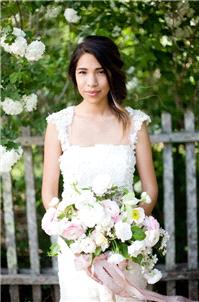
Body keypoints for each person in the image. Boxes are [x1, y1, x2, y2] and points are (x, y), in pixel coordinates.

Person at [42, 35, 158, 302]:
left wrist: (124, 233)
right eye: (83, 72)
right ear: (74, 74)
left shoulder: (135, 123)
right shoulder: (59, 124)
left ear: (112, 74)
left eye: (100, 72)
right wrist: (81, 235)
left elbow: (150, 189)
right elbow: (49, 193)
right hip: (77, 252)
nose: (91, 82)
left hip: (127, 249)